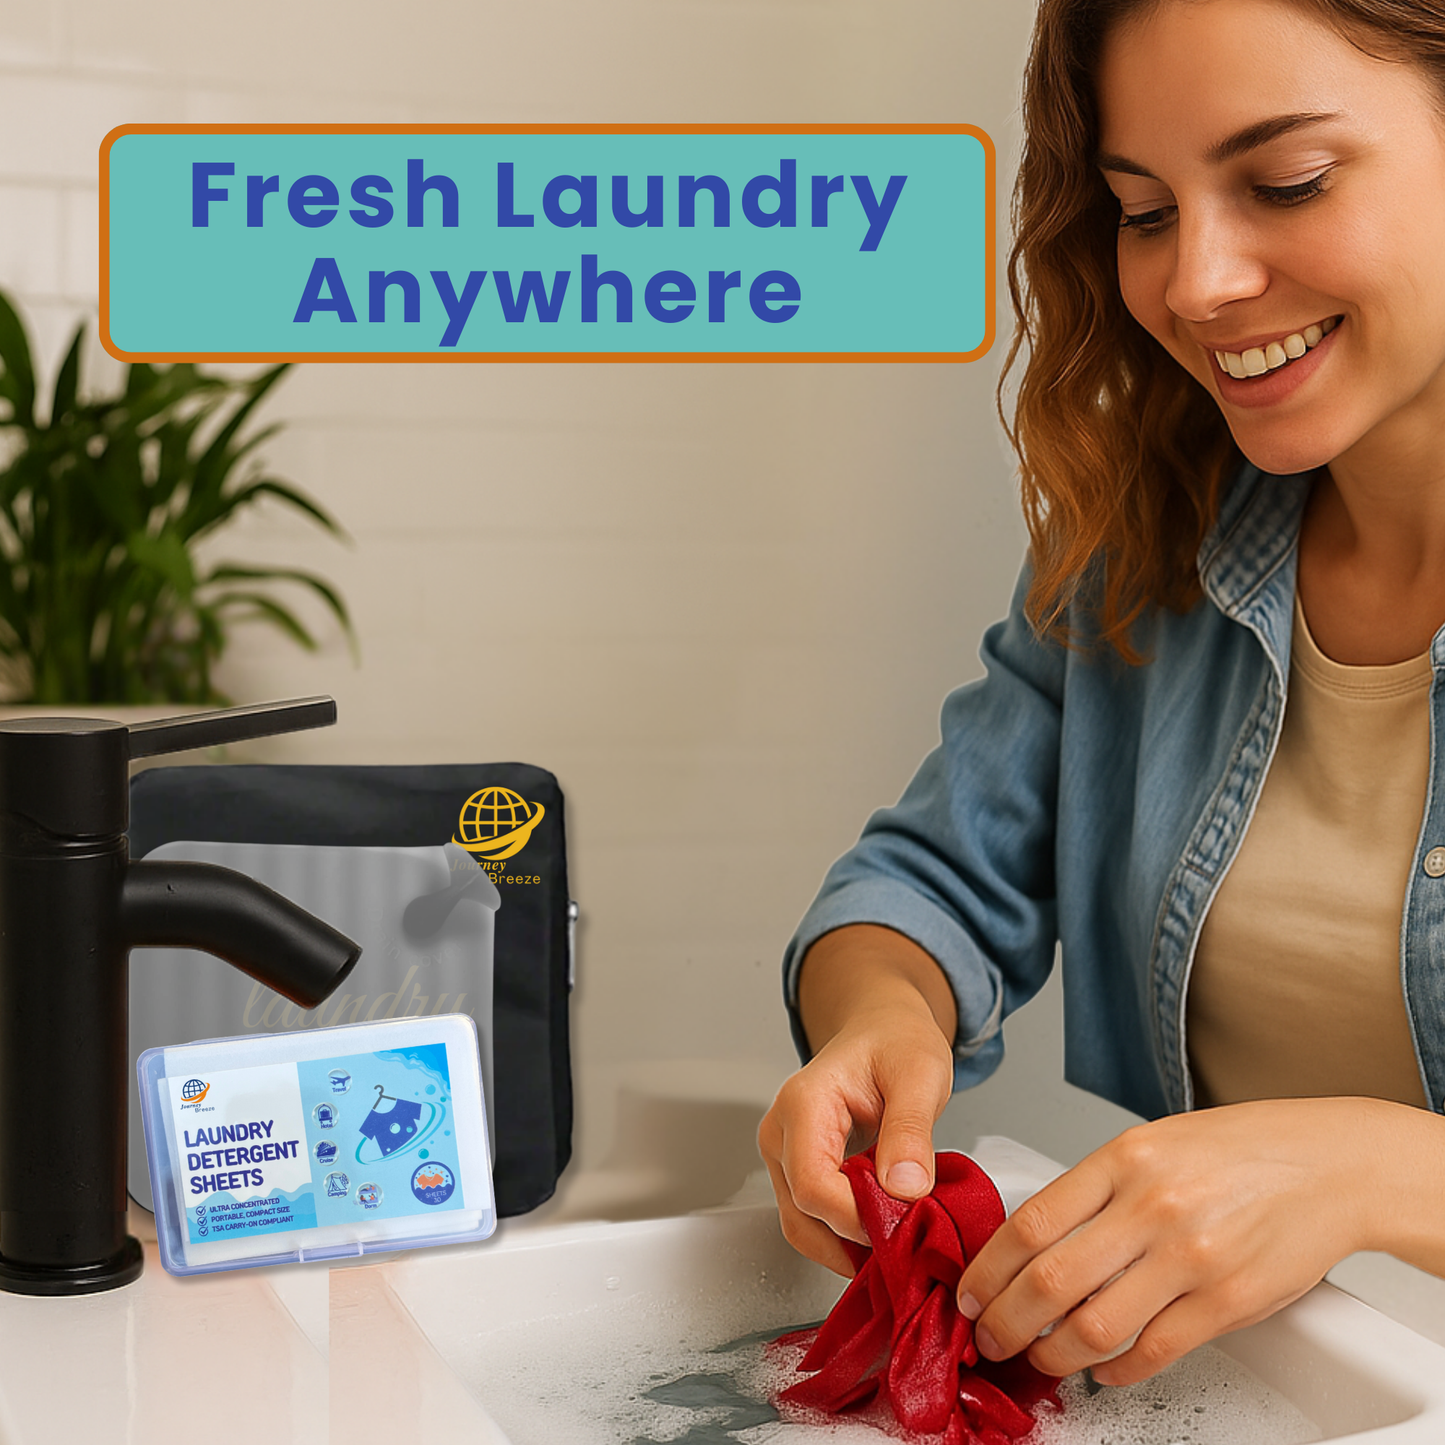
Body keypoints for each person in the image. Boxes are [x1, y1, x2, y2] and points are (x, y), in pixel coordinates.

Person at [760, 0, 1445, 1390]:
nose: (1197, 283)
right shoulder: (1148, 532)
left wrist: (1372, 1172)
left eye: (1288, 182)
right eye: (1144, 211)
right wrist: (881, 1018)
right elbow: (925, 886)